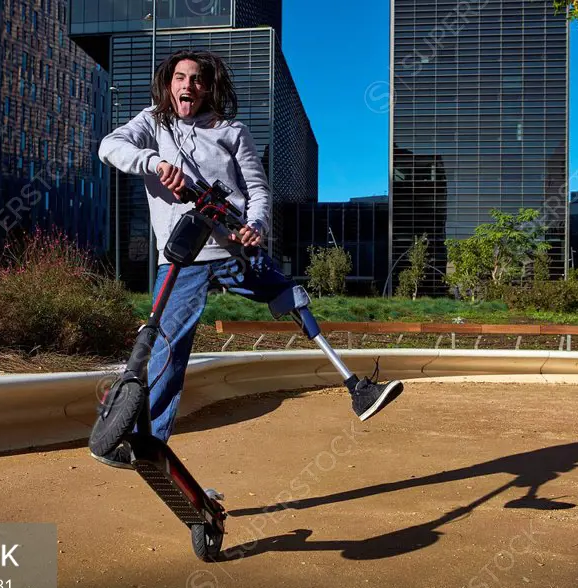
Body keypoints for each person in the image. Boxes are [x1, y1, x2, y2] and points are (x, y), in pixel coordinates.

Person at [94, 50, 402, 468]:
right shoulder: (152, 123)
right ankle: (146, 442)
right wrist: (154, 161)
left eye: (197, 79)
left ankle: (356, 387)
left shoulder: (232, 131)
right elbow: (110, 147)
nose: (188, 85)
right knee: (168, 347)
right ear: (169, 84)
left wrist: (256, 224)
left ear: (209, 86)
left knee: (290, 295)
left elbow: (258, 190)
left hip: (235, 246)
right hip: (183, 255)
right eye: (180, 78)